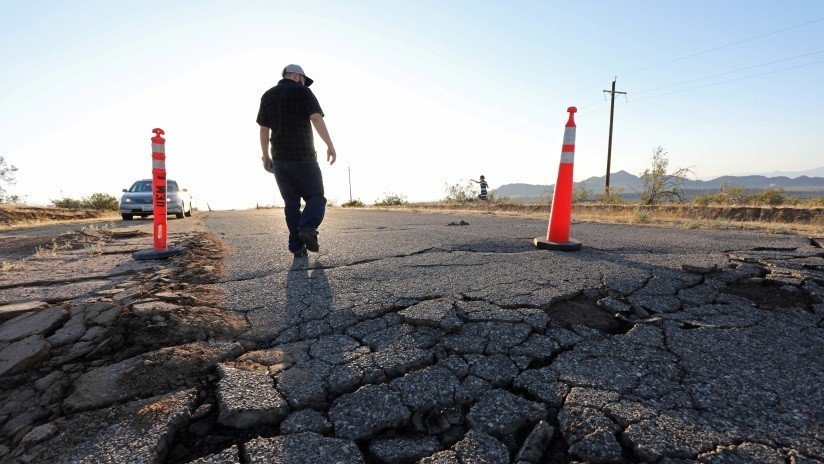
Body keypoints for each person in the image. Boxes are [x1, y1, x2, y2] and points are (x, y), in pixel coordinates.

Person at [257, 64, 336, 258]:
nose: (304, 83)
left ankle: (297, 248)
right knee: (316, 197)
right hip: (303, 156)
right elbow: (316, 118)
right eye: (303, 79)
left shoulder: (267, 95)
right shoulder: (303, 92)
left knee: (291, 204)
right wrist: (330, 145)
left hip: (279, 159)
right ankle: (307, 228)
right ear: (295, 75)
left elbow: (264, 129)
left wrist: (266, 156)